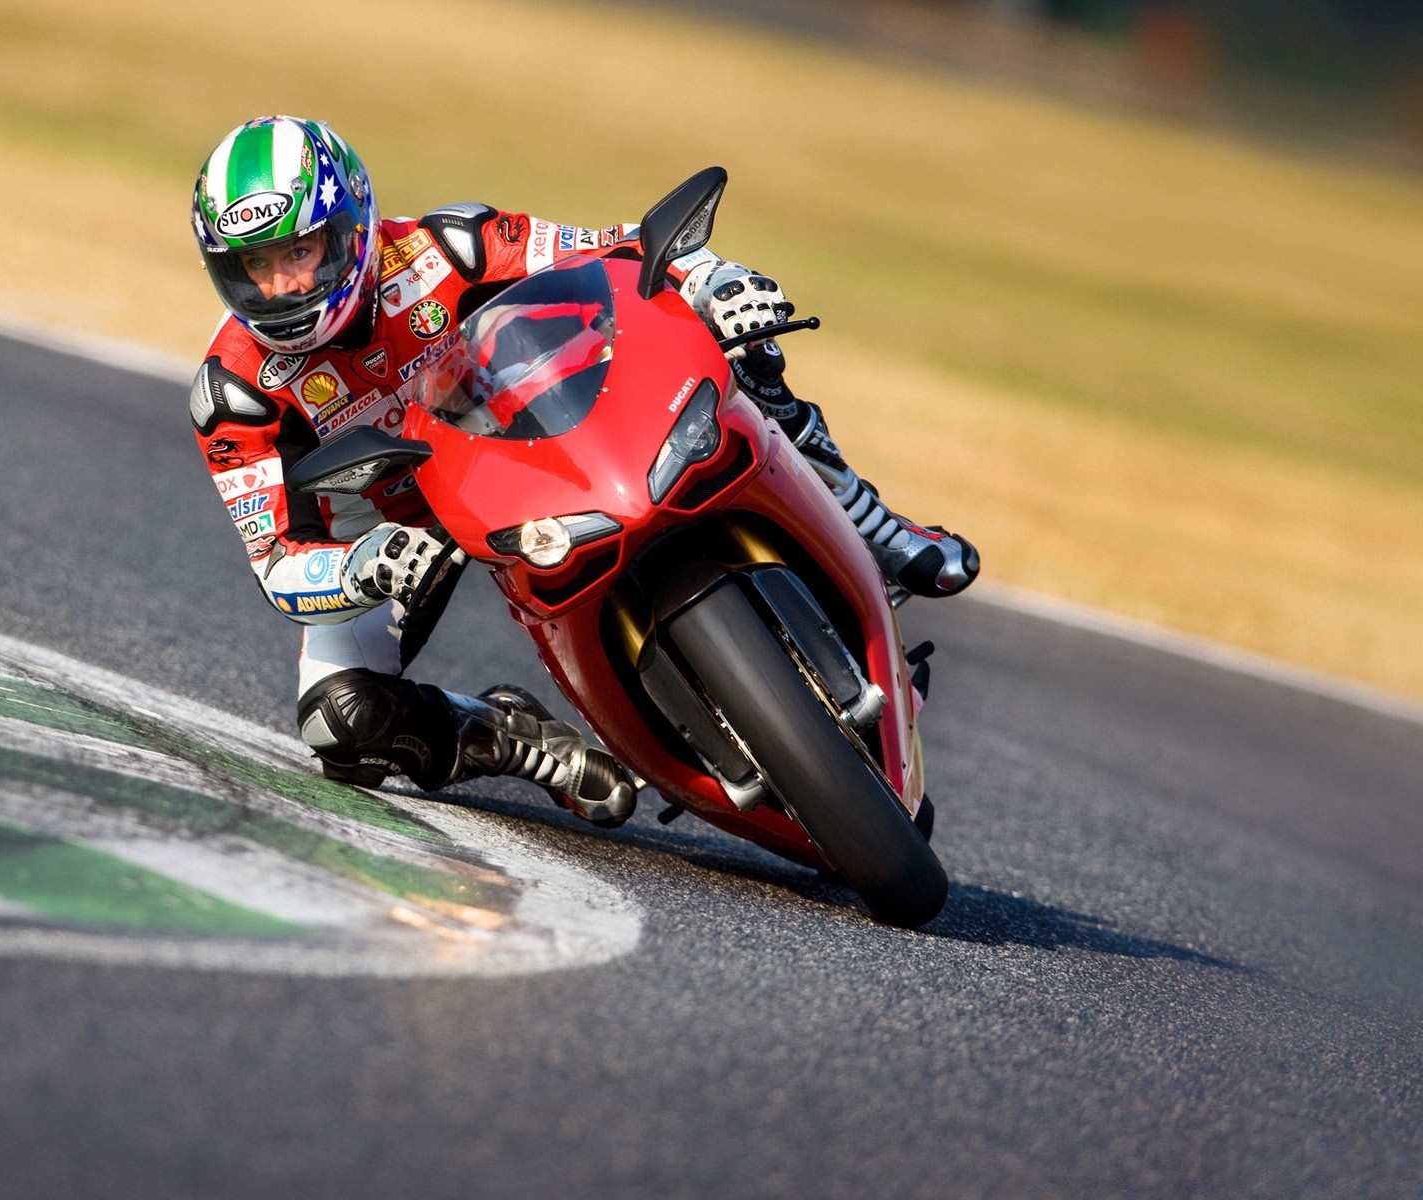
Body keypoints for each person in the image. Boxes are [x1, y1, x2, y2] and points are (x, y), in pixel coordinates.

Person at [188, 115, 977, 827]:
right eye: (257, 265)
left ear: (352, 223)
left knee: (746, 344)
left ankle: (870, 524)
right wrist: (366, 565)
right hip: (394, 534)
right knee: (340, 724)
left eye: (300, 250)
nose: (286, 284)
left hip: (513, 444)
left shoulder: (445, 246)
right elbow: (277, 564)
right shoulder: (230, 392)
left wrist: (714, 281)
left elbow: (614, 247)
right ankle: (509, 739)